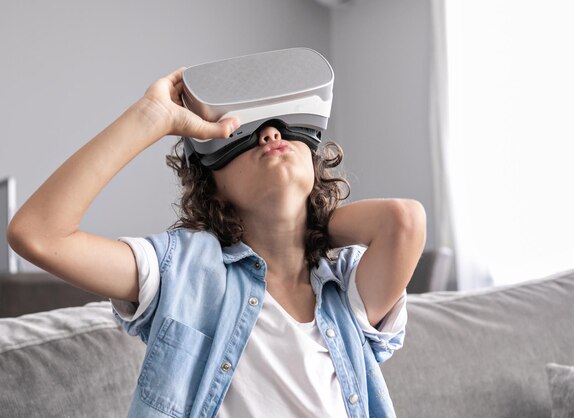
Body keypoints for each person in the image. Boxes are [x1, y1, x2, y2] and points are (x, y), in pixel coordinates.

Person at [8, 66, 426, 417]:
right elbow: (39, 234)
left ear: (315, 166)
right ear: (214, 187)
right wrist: (151, 116)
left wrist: (305, 224)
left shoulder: (344, 286)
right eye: (242, 137)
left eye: (284, 129)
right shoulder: (182, 270)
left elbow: (403, 221)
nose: (269, 134)